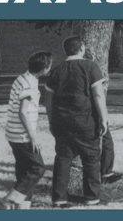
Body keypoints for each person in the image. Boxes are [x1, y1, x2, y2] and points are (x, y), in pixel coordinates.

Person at [45, 36, 109, 209]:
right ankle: (91, 198)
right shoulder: (90, 66)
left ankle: (59, 199)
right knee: (91, 159)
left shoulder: (56, 70)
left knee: (63, 159)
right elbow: (97, 94)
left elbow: (48, 100)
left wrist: (51, 120)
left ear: (66, 50)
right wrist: (103, 118)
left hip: (62, 122)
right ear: (82, 47)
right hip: (86, 121)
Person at [0, 51, 53, 210]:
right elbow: (22, 112)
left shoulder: (22, 78)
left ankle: (22, 208)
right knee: (37, 169)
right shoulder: (29, 84)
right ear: (45, 68)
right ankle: (6, 201)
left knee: (25, 173)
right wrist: (33, 137)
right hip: (22, 136)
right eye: (50, 65)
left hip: (12, 134)